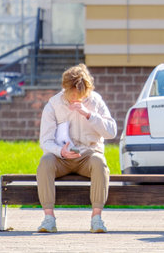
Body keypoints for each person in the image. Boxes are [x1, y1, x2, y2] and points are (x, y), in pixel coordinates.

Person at [36, 64, 117, 233]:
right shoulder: (54, 104)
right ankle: (49, 219)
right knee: (45, 162)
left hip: (88, 155)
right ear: (64, 88)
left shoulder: (95, 101)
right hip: (62, 158)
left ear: (87, 90)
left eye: (80, 93)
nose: (75, 97)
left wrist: (89, 114)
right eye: (71, 92)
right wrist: (61, 152)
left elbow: (112, 132)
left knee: (99, 162)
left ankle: (96, 219)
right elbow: (45, 141)